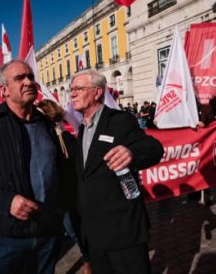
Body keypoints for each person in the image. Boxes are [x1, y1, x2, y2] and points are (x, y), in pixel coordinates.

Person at [0, 60, 64, 274]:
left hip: (47, 232)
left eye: (31, 76)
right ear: (4, 90)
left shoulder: (47, 124)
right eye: (20, 78)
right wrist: (8, 202)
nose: (29, 82)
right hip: (6, 238)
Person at [70, 69, 164, 274]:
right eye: (72, 89)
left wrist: (132, 152)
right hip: (94, 234)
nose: (72, 93)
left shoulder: (119, 120)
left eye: (79, 88)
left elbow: (154, 148)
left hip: (122, 230)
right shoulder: (82, 129)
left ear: (97, 92)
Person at [37, 99, 91, 274]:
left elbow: (75, 169)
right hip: (48, 200)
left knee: (74, 231)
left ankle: (89, 259)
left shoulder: (63, 138)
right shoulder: (40, 139)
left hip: (65, 198)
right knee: (50, 240)